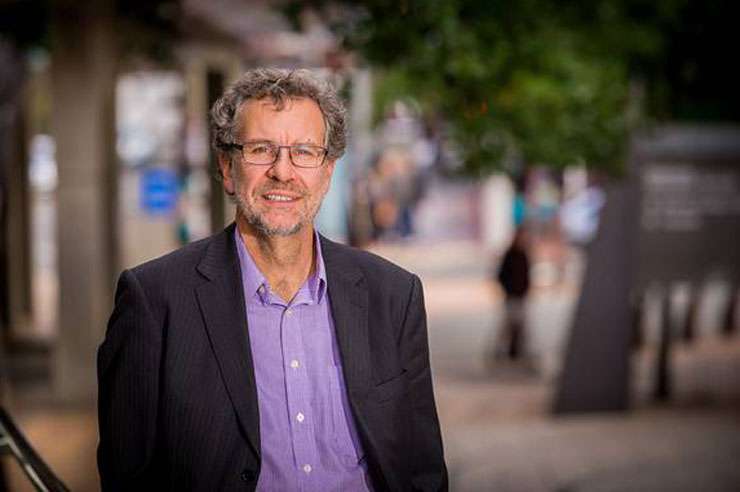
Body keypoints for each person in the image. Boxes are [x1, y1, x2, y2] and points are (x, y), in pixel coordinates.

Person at [97, 68, 447, 492]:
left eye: (304, 151)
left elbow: (422, 471)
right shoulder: (155, 301)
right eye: (261, 149)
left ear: (328, 170)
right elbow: (128, 477)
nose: (283, 172)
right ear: (227, 167)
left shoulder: (393, 296)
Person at [493, 227, 531, 360]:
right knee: (508, 325)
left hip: (521, 296)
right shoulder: (510, 254)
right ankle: (500, 351)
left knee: (520, 325)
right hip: (511, 296)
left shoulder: (524, 255)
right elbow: (501, 275)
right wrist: (508, 290)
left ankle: (516, 351)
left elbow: (527, 276)